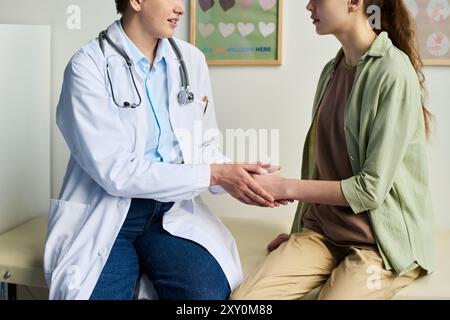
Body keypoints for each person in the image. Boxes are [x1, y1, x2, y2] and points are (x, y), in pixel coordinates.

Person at [44, 0, 281, 300]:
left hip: (170, 211)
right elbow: (117, 172)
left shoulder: (190, 61)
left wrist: (243, 177)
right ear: (137, 1)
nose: (180, 8)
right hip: (109, 215)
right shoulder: (87, 66)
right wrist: (216, 176)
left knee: (207, 294)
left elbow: (204, 146)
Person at [231, 0, 434, 300]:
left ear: (354, 2)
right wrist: (298, 233)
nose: (309, 6)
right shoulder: (331, 70)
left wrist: (286, 187)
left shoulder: (393, 71)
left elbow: (370, 191)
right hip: (321, 234)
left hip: (377, 247)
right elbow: (321, 165)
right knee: (243, 302)